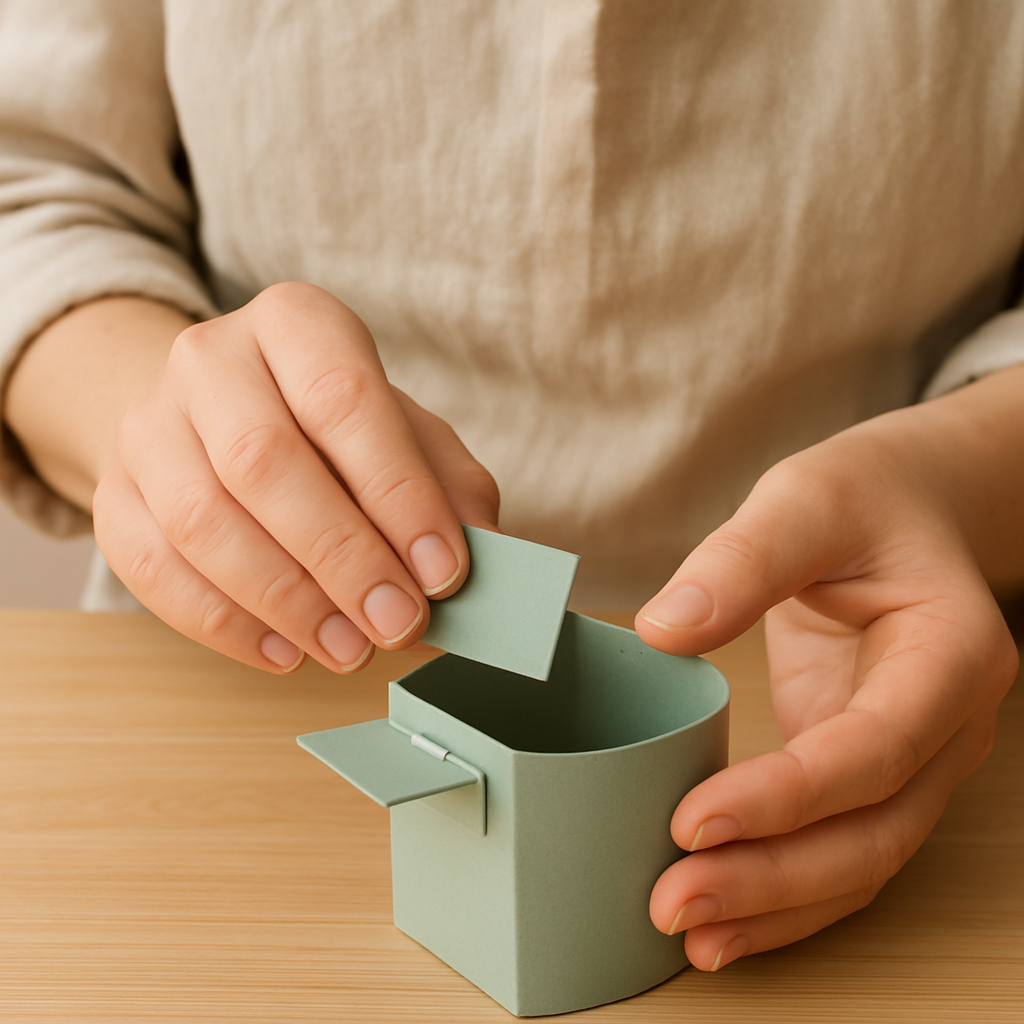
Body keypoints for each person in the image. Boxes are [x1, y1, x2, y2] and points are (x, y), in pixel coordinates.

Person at [1, 0, 1022, 975]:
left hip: (870, 675)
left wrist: (971, 475)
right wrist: (156, 420)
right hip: (204, 714)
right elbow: (30, 178)